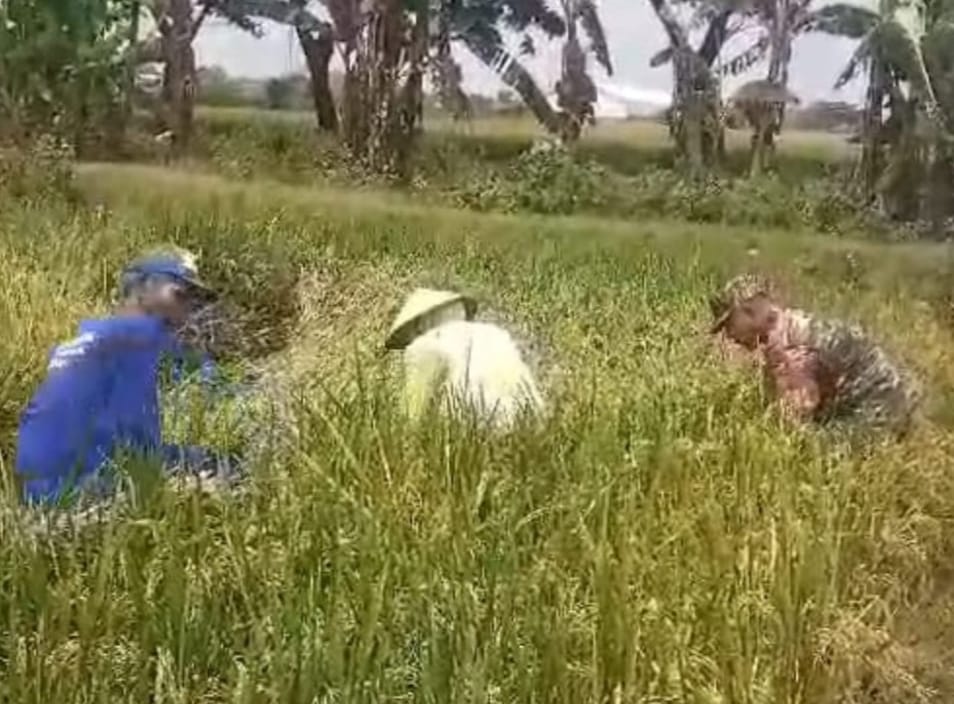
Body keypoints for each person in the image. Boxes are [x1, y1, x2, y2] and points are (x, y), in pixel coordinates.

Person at [15, 249, 243, 506]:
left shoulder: (88, 337)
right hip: (77, 492)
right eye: (179, 294)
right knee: (226, 472)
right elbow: (139, 443)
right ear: (143, 288)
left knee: (195, 458)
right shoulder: (138, 340)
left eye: (191, 299)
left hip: (37, 487)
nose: (186, 310)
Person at [708, 274, 921, 438]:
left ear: (750, 312)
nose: (728, 335)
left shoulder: (792, 353)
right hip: (890, 395)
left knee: (810, 449)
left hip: (881, 410)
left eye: (729, 324)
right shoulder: (792, 324)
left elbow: (792, 425)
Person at [384, 288, 544, 429]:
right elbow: (532, 402)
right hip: (518, 434)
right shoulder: (497, 335)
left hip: (466, 433)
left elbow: (411, 417)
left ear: (419, 324)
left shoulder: (425, 344)